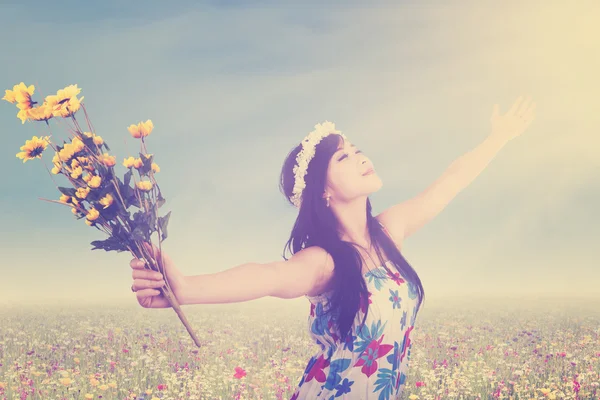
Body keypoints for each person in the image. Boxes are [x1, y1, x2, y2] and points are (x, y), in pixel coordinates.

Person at [130, 96, 535, 399]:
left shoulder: (388, 232)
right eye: (344, 156)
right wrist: (186, 288)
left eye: (357, 150)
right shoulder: (324, 261)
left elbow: (449, 182)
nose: (361, 157)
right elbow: (267, 276)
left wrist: (499, 136)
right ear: (323, 190)